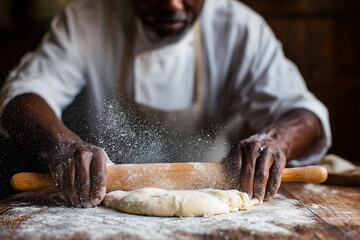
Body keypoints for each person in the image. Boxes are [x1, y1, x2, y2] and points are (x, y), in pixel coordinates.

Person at [0, 0, 331, 208]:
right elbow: (23, 95)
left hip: (214, 196)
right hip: (100, 199)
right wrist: (63, 145)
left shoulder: (239, 28)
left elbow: (305, 114)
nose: (172, 5)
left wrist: (276, 141)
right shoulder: (86, 19)